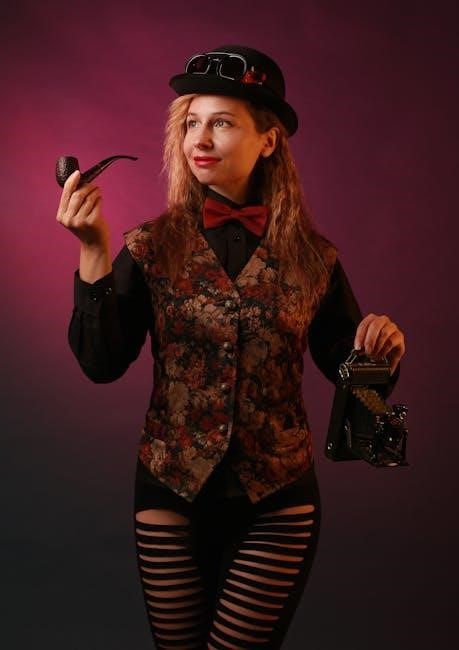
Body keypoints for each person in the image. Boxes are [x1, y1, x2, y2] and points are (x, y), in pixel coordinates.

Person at [56, 45, 405, 650]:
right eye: (191, 122)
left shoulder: (313, 258)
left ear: (268, 141)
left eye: (221, 122)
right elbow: (101, 364)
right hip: (169, 492)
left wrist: (379, 353)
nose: (200, 138)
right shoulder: (148, 247)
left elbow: (349, 376)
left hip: (277, 500)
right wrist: (92, 250)